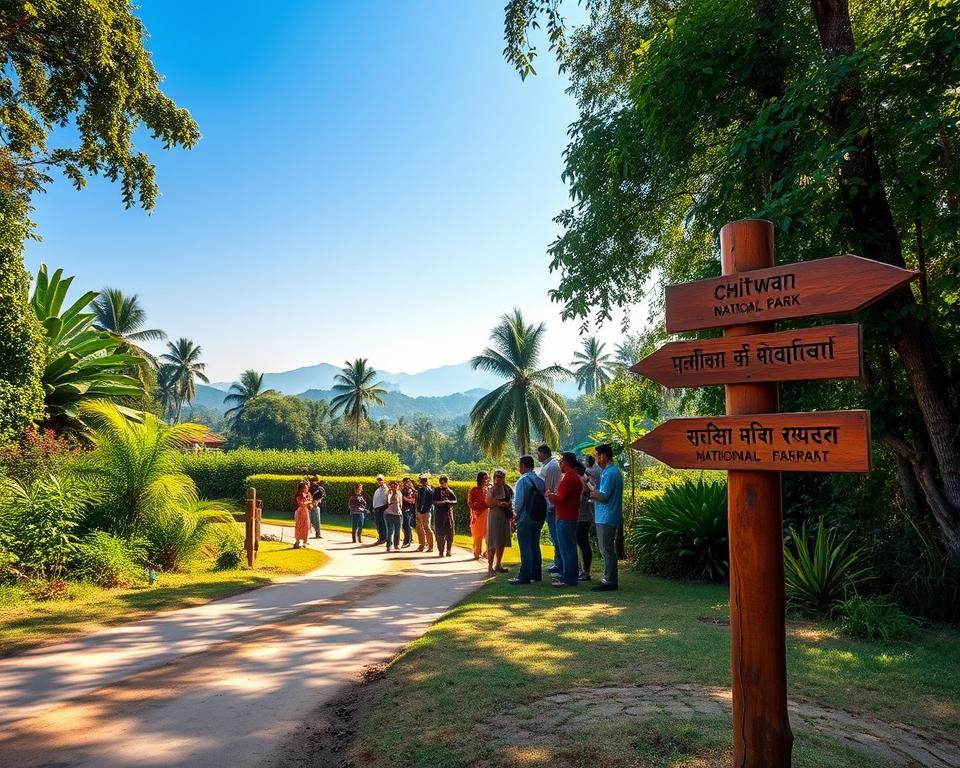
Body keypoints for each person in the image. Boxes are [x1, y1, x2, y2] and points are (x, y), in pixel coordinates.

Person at [587, 443, 624, 591]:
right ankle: (608, 578)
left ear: (603, 456)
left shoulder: (610, 473)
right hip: (606, 516)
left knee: (606, 549)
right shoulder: (610, 472)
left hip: (607, 516)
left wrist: (591, 491)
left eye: (597, 456)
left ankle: (610, 580)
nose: (596, 459)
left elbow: (603, 495)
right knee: (607, 549)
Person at [545, 451, 583, 588]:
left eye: (561, 461)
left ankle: (568, 578)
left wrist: (550, 495)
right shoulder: (574, 477)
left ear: (566, 462)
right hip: (569, 517)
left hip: (565, 518)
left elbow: (561, 499)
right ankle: (570, 577)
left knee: (566, 549)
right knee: (569, 548)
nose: (559, 464)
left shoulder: (569, 478)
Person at [509, 455, 546, 585]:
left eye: (519, 465)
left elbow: (519, 502)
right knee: (535, 545)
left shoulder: (523, 480)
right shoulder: (539, 480)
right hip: (539, 516)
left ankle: (524, 576)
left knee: (525, 546)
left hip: (526, 517)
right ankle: (536, 574)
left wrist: (515, 515)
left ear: (523, 466)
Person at [537, 444, 562, 576]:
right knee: (554, 536)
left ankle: (559, 564)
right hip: (550, 504)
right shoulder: (549, 465)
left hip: (551, 505)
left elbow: (550, 487)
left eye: (539, 453)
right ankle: (557, 562)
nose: (538, 456)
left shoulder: (551, 466)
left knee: (556, 536)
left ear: (544, 453)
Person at [486, 469, 513, 576]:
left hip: (504, 515)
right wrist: (499, 503)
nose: (499, 479)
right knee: (493, 540)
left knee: (501, 540)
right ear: (494, 478)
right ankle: (489, 566)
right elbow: (488, 501)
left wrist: (508, 504)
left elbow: (512, 499)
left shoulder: (507, 489)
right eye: (497, 477)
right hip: (495, 515)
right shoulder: (491, 489)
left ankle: (498, 564)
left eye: (501, 477)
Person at [575, 462, 594, 581]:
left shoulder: (583, 482)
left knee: (583, 543)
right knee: (582, 543)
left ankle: (586, 571)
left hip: (583, 517)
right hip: (584, 516)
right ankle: (584, 570)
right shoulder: (585, 482)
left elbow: (580, 499)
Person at [432, 475, 458, 557]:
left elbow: (455, 500)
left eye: (445, 482)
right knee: (440, 533)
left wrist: (449, 501)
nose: (443, 483)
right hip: (439, 515)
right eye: (442, 482)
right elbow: (433, 501)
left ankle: (449, 550)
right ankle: (441, 551)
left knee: (450, 533)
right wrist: (441, 502)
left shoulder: (450, 491)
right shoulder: (436, 490)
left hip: (449, 515)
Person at [468, 472, 490, 561]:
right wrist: (476, 505)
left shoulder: (488, 489)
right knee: (478, 534)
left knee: (487, 534)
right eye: (484, 478)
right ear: (480, 479)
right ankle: (477, 552)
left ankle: (486, 552)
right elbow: (470, 503)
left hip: (487, 513)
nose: (486, 480)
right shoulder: (474, 489)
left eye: (487, 478)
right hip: (477, 514)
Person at [415, 473, 435, 552]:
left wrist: (420, 511)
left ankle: (430, 546)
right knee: (420, 528)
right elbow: (418, 502)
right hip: (421, 511)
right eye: (422, 480)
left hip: (426, 511)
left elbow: (428, 502)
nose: (423, 482)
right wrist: (418, 511)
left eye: (424, 481)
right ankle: (422, 545)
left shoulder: (428, 490)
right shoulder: (421, 490)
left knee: (426, 527)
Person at [384, 479, 403, 552]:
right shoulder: (389, 493)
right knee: (390, 531)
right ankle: (388, 545)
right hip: (389, 513)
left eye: (395, 486)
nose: (393, 487)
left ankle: (396, 544)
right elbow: (388, 501)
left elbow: (401, 504)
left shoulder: (399, 493)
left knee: (397, 530)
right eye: (391, 486)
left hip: (397, 514)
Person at [293, 481, 312, 549]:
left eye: (307, 487)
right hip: (300, 511)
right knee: (299, 526)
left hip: (306, 512)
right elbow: (301, 503)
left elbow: (310, 501)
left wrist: (309, 502)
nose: (307, 489)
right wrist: (308, 501)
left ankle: (305, 541)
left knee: (306, 526)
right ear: (302, 488)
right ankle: (297, 541)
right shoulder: (299, 495)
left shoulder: (308, 494)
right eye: (305, 488)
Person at [371, 474, 388, 545]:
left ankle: (383, 539)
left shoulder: (385, 488)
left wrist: (384, 486)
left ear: (383, 480)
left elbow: (387, 496)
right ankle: (382, 538)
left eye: (380, 480)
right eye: (378, 480)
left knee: (382, 525)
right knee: (379, 524)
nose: (379, 481)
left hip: (382, 508)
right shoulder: (378, 489)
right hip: (377, 509)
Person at [400, 477, 417, 548]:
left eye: (408, 481)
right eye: (406, 482)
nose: (407, 483)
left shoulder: (412, 490)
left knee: (407, 525)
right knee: (405, 525)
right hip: (405, 508)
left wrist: (407, 499)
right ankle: (408, 540)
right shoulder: (403, 490)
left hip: (409, 509)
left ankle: (407, 541)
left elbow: (413, 499)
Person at [308, 475, 324, 539]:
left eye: (315, 480)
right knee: (308, 520)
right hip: (308, 505)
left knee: (317, 520)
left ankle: (318, 533)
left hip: (316, 506)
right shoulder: (309, 488)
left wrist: (317, 501)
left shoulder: (321, 489)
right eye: (312, 480)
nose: (313, 482)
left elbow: (323, 497)